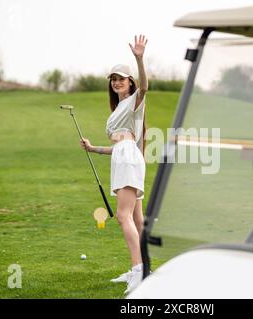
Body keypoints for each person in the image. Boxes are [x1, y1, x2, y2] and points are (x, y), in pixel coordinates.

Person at [80, 35, 148, 294]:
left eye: (122, 78)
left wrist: (139, 59)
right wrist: (94, 148)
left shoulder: (135, 101)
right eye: (114, 79)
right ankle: (142, 269)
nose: (117, 82)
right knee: (137, 219)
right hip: (125, 156)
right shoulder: (116, 110)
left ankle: (139, 271)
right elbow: (119, 145)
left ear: (130, 82)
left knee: (123, 216)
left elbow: (145, 87)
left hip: (128, 158)